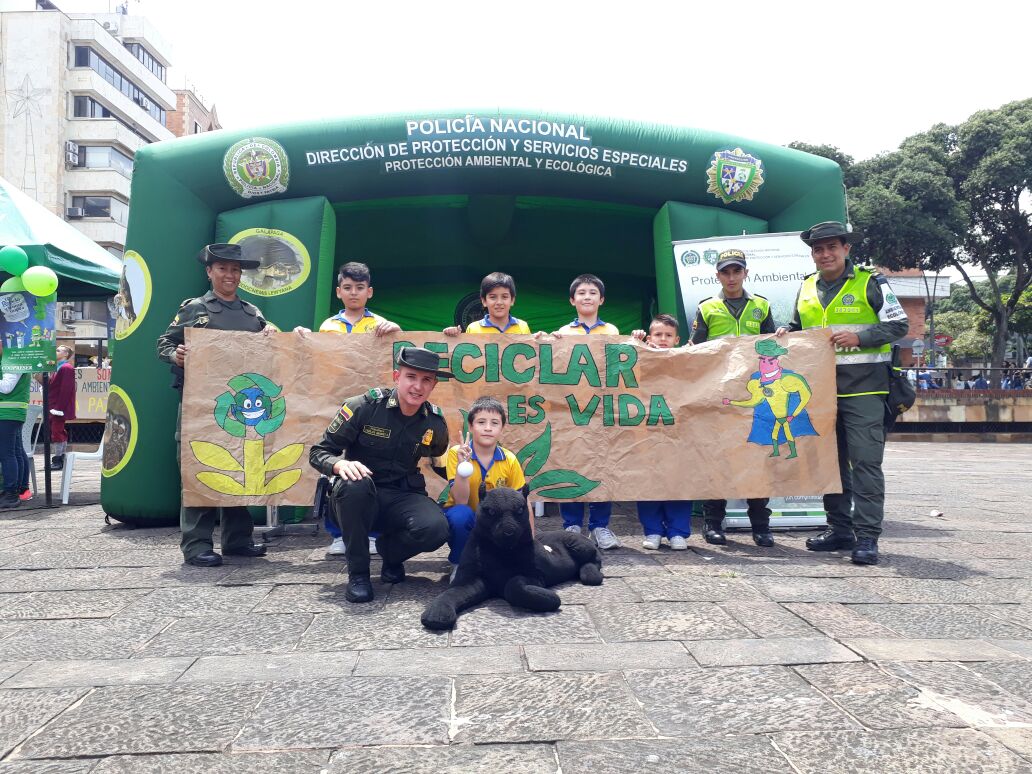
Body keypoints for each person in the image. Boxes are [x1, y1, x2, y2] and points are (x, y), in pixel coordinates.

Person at [777, 221, 909, 565]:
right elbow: (800, 328)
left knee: (865, 463)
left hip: (865, 389)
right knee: (831, 465)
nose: (825, 254)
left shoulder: (871, 282)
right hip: (821, 392)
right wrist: (786, 331)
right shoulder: (806, 287)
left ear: (846, 249)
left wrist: (860, 337)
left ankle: (866, 538)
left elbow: (899, 325)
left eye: (832, 247)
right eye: (818, 249)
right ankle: (840, 530)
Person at [156, 243, 275, 567]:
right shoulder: (194, 309)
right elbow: (164, 342)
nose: (229, 275)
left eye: (235, 270)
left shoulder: (253, 315)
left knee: (238, 468)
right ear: (209, 272)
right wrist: (175, 355)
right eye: (222, 268)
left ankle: (238, 540)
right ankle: (196, 545)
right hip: (199, 406)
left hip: (241, 408)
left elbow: (273, 346)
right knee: (200, 471)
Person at [309, 346, 451, 604]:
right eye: (411, 377)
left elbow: (440, 461)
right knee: (355, 485)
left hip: (403, 494)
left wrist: (467, 471)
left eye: (426, 380)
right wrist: (339, 466)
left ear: (433, 385)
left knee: (436, 528)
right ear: (397, 377)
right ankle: (359, 576)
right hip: (359, 496)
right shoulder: (363, 407)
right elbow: (319, 452)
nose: (417, 386)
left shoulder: (434, 422)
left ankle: (392, 554)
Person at [691, 250, 778, 548]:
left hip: (757, 395)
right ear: (717, 276)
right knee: (719, 458)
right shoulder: (707, 308)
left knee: (757, 458)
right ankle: (713, 523)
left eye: (736, 271)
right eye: (725, 272)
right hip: (720, 396)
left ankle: (761, 526)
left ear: (745, 273)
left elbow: (774, 349)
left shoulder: (762, 306)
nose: (731, 277)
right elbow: (695, 351)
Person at [314, 261, 400, 556]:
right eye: (348, 288)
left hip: (371, 410)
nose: (354, 293)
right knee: (336, 470)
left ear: (369, 292)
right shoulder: (328, 326)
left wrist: (397, 330)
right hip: (338, 405)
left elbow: (397, 351)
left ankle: (373, 533)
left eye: (360, 288)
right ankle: (338, 533)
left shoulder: (380, 324)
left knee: (371, 466)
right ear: (339, 292)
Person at [550, 273, 620, 549]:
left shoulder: (612, 332)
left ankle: (601, 526)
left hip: (602, 410)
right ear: (572, 300)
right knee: (572, 463)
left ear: (601, 299)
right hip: (571, 411)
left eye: (592, 292)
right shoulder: (563, 333)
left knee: (603, 466)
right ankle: (572, 524)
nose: (587, 296)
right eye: (581, 293)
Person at [441, 396, 528, 577]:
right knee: (460, 515)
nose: (488, 428)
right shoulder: (456, 453)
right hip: (467, 518)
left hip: (494, 523)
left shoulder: (509, 459)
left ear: (502, 429)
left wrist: (531, 545)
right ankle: (460, 563)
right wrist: (462, 467)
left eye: (494, 423)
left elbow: (523, 505)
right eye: (481, 422)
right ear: (471, 427)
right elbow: (461, 500)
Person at [629, 314, 693, 550]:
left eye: (668, 335)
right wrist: (637, 343)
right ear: (649, 336)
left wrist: (696, 357)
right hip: (647, 431)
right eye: (658, 334)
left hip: (678, 432)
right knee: (649, 480)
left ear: (677, 339)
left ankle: (678, 532)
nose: (663, 339)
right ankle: (653, 530)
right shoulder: (639, 356)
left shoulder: (686, 359)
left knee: (679, 480)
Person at [443, 272, 532, 336]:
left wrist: (542, 339)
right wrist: (452, 336)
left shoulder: (522, 327)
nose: (499, 302)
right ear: (484, 301)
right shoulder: (474, 328)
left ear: (512, 300)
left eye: (504, 297)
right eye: (493, 297)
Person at [0, 352, 29, 510]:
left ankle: (11, 494)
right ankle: (15, 491)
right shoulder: (13, 358)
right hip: (10, 413)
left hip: (8, 413)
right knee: (15, 453)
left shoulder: (15, 359)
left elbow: (6, 387)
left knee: (7, 454)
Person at [47, 345, 76, 471]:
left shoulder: (66, 368)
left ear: (65, 354)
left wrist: (59, 408)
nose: (55, 351)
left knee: (56, 431)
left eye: (58, 350)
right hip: (54, 405)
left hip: (58, 406)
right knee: (58, 431)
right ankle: (61, 458)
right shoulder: (58, 367)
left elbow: (66, 389)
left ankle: (58, 460)